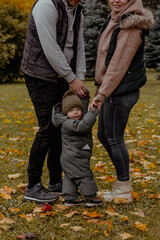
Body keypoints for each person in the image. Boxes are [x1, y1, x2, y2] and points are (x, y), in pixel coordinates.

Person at [21, 0, 87, 204]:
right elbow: (50, 47)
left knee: (60, 126)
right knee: (48, 127)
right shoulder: (46, 6)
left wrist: (81, 77)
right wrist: (72, 78)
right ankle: (32, 186)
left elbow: (79, 45)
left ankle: (55, 181)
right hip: (40, 76)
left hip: (61, 76)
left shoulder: (77, 10)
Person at [90, 0, 154, 202]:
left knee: (114, 138)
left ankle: (124, 189)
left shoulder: (130, 24)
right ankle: (122, 181)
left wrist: (102, 95)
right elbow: (105, 58)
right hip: (110, 89)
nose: (116, 0)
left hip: (121, 90)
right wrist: (100, 89)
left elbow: (118, 65)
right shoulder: (114, 19)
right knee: (104, 135)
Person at [52, 90, 102, 207]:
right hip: (75, 155)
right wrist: (93, 112)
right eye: (71, 110)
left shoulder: (72, 119)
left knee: (70, 175)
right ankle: (91, 197)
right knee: (84, 174)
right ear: (65, 113)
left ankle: (70, 197)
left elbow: (82, 110)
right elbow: (83, 126)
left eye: (77, 109)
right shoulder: (68, 123)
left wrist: (84, 98)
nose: (75, 112)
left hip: (71, 155)